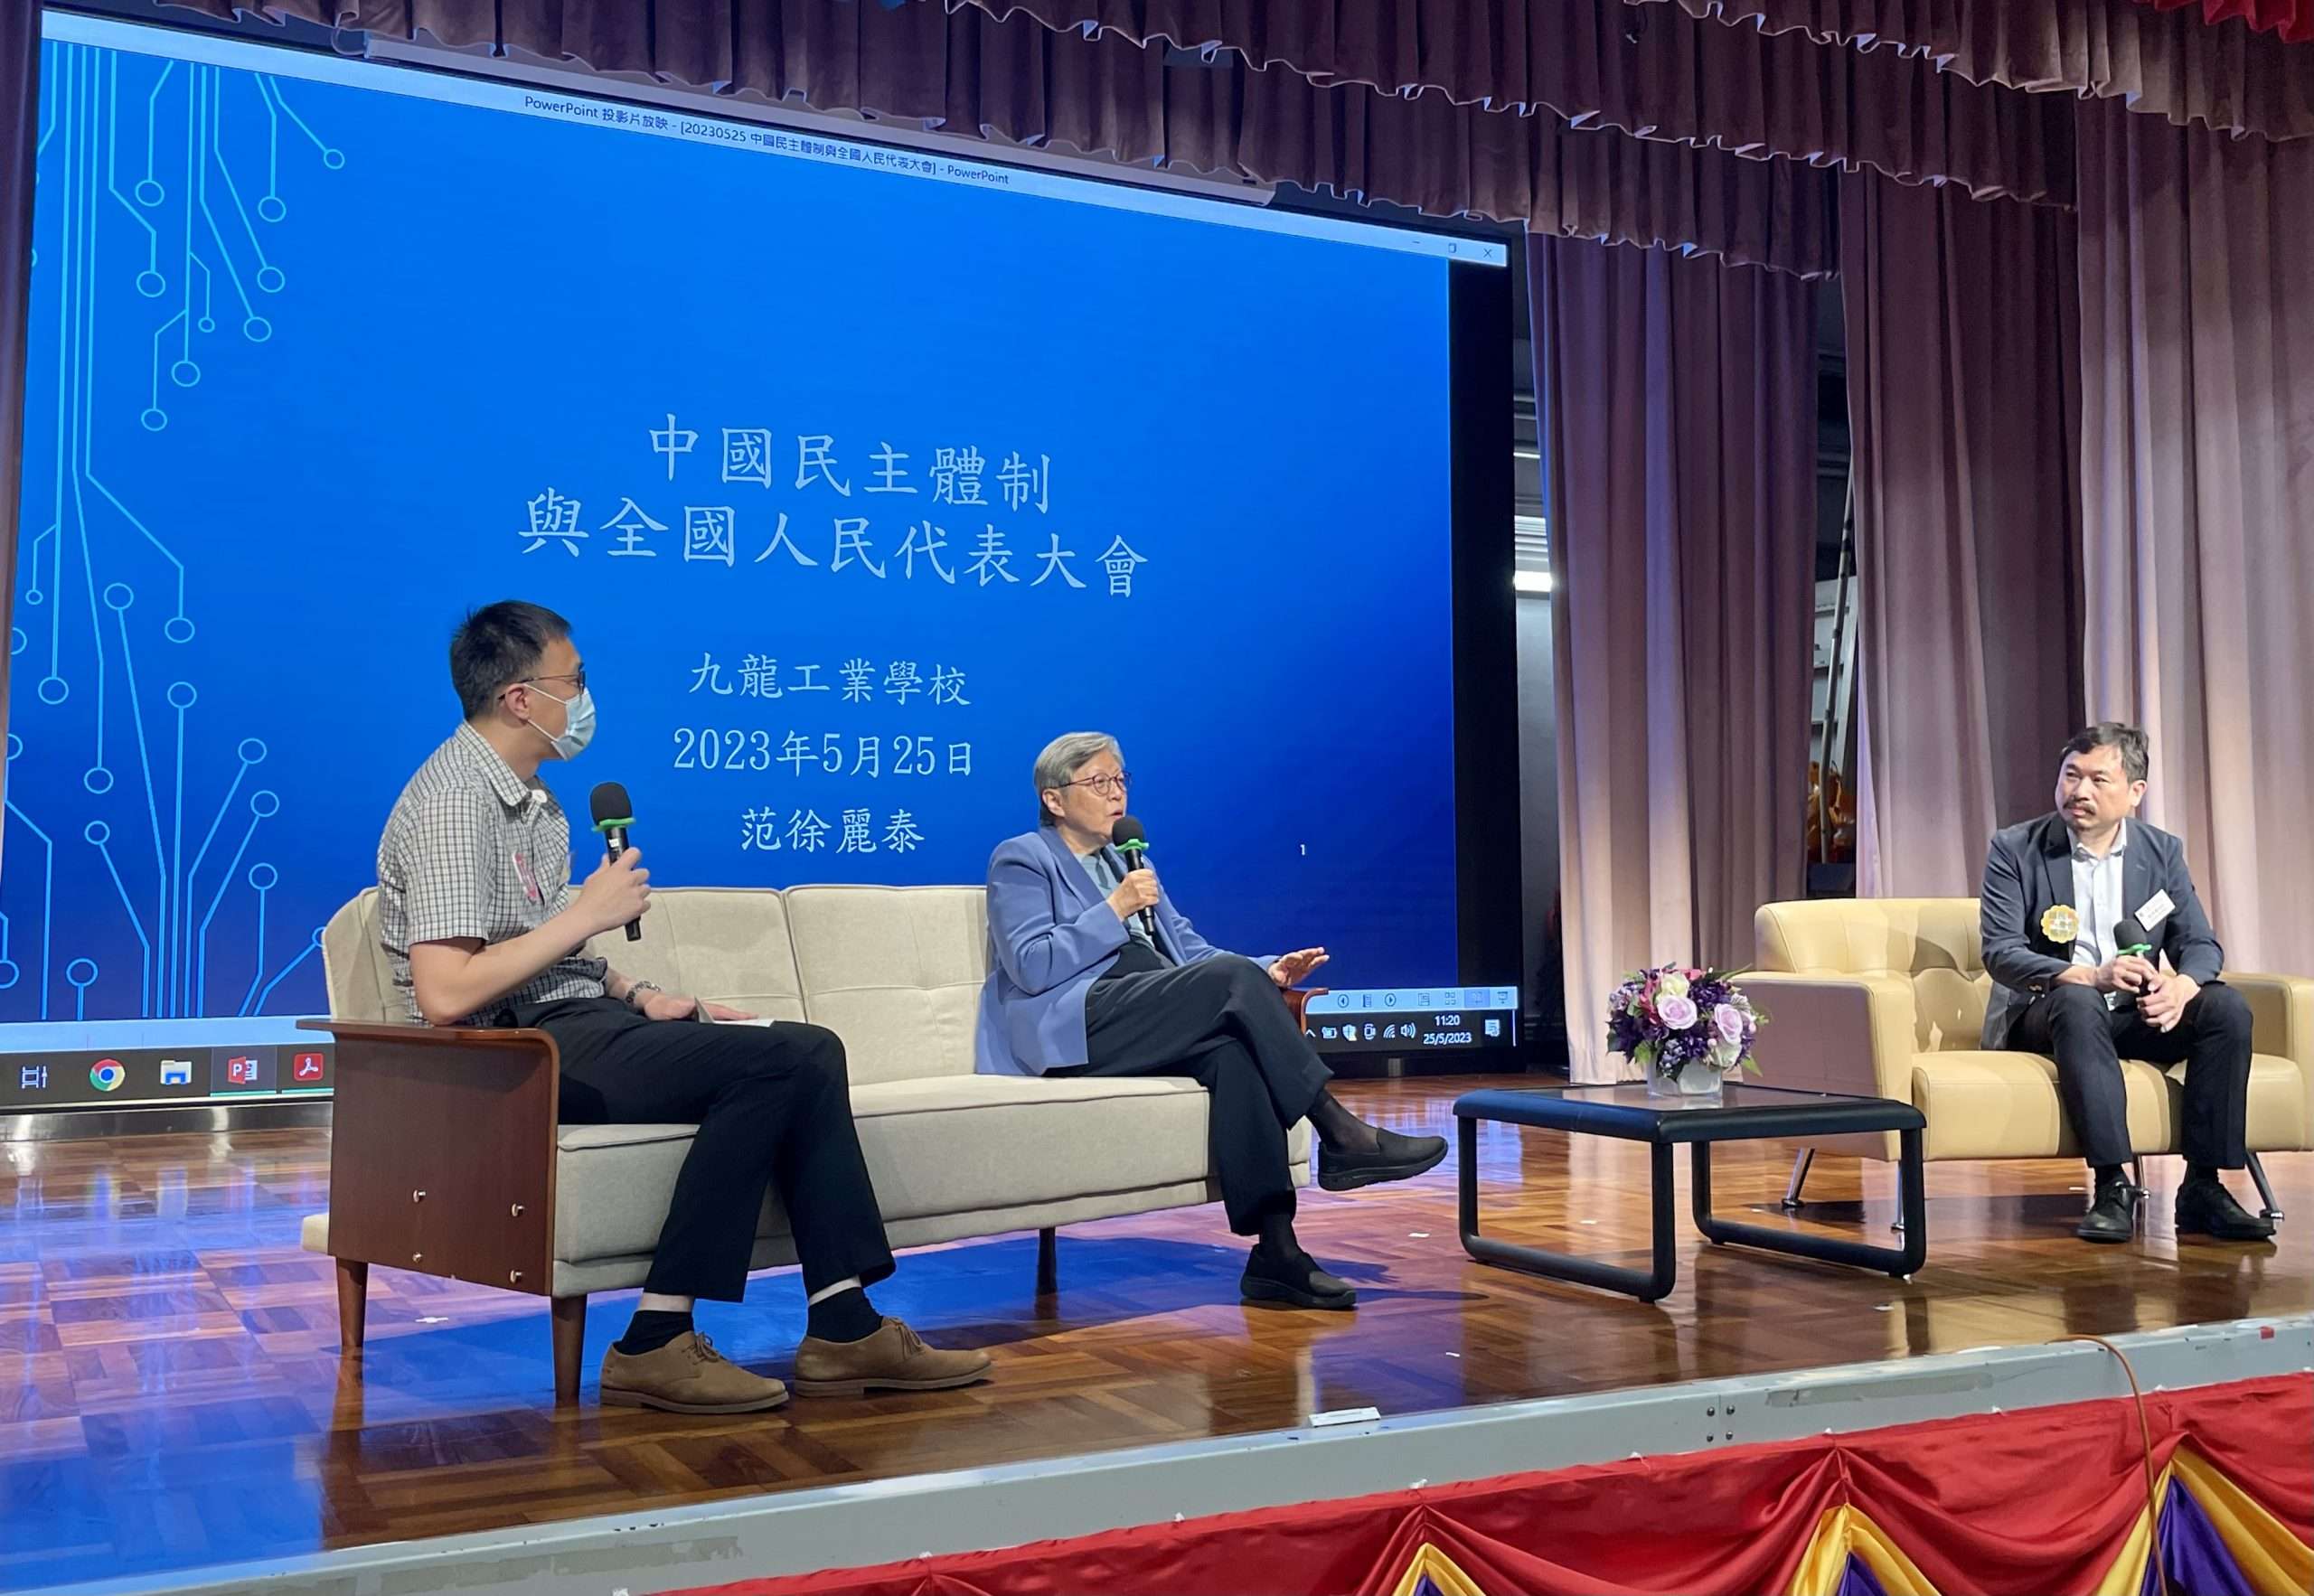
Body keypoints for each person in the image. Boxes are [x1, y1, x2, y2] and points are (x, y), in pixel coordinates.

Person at [376, 601, 991, 1413]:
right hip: (512, 1053)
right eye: (575, 681)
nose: (586, 697)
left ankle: (843, 1324)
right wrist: (585, 915)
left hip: (574, 1021)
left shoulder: (534, 801)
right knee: (789, 1059)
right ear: (521, 698)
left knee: (804, 1049)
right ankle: (656, 1339)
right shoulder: (456, 801)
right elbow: (447, 992)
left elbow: (541, 949)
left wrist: (641, 994)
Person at [975, 732, 1450, 1310]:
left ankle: (1277, 1253)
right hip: (1079, 1018)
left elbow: (1189, 951)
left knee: (1233, 1052)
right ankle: (1340, 1131)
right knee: (1229, 986)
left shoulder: (1130, 860)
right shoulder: (1023, 857)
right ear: (1054, 799)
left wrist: (1267, 970)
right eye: (1099, 782)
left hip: (1148, 1005)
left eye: (1121, 780)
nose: (1117, 794)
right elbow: (1031, 965)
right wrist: (1115, 908)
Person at [1980, 722, 2274, 1244]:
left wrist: (2181, 987)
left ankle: (2203, 1186)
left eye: (2098, 780)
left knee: (2225, 1009)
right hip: (2050, 1011)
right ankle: (2112, 1184)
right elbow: (2001, 952)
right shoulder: (2016, 848)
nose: (2080, 791)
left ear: (2135, 792)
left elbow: (2200, 944)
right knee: (2078, 1000)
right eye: (2071, 776)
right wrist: (2090, 976)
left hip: (2134, 1013)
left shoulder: (2160, 852)